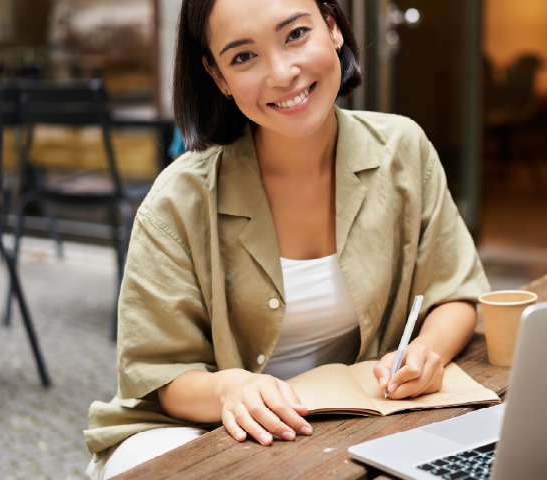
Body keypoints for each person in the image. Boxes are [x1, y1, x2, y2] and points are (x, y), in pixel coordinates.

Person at [83, 0, 489, 477]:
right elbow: (160, 375)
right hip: (196, 429)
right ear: (218, 77)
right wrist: (230, 389)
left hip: (345, 423)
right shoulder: (178, 201)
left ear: (333, 28)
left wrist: (429, 351)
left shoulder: (403, 150)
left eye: (295, 34)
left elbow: (455, 291)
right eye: (243, 57)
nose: (282, 72)